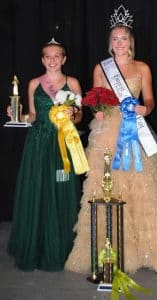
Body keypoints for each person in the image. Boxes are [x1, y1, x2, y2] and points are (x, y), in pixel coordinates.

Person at [65, 5, 157, 278]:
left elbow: (152, 100)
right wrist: (96, 109)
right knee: (107, 184)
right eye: (115, 39)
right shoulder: (101, 67)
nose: (120, 43)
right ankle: (109, 247)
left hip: (134, 127)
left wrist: (146, 108)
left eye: (124, 39)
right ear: (110, 42)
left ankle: (146, 249)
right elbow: (96, 96)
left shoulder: (142, 67)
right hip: (107, 128)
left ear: (131, 42)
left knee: (142, 184)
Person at [7, 39, 83, 271]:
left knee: (62, 188)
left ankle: (63, 246)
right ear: (42, 60)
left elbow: (80, 117)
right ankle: (37, 244)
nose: (52, 60)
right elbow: (33, 115)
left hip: (63, 143)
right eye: (47, 56)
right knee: (38, 190)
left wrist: (72, 114)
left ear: (64, 59)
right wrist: (17, 115)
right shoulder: (33, 84)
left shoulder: (72, 83)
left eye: (56, 56)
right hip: (39, 144)